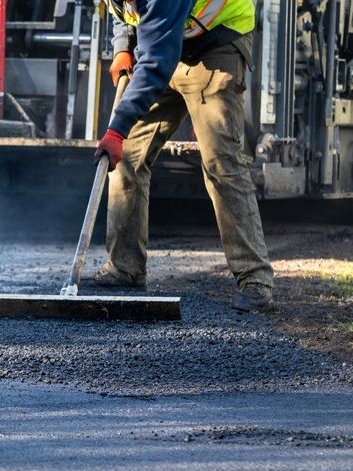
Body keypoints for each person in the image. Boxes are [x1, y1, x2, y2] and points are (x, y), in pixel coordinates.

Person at [93, 0, 275, 313]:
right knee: (127, 157)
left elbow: (154, 64)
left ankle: (256, 280)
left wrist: (116, 129)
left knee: (221, 162)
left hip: (216, 44)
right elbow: (119, 11)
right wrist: (123, 44)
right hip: (165, 44)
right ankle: (124, 267)